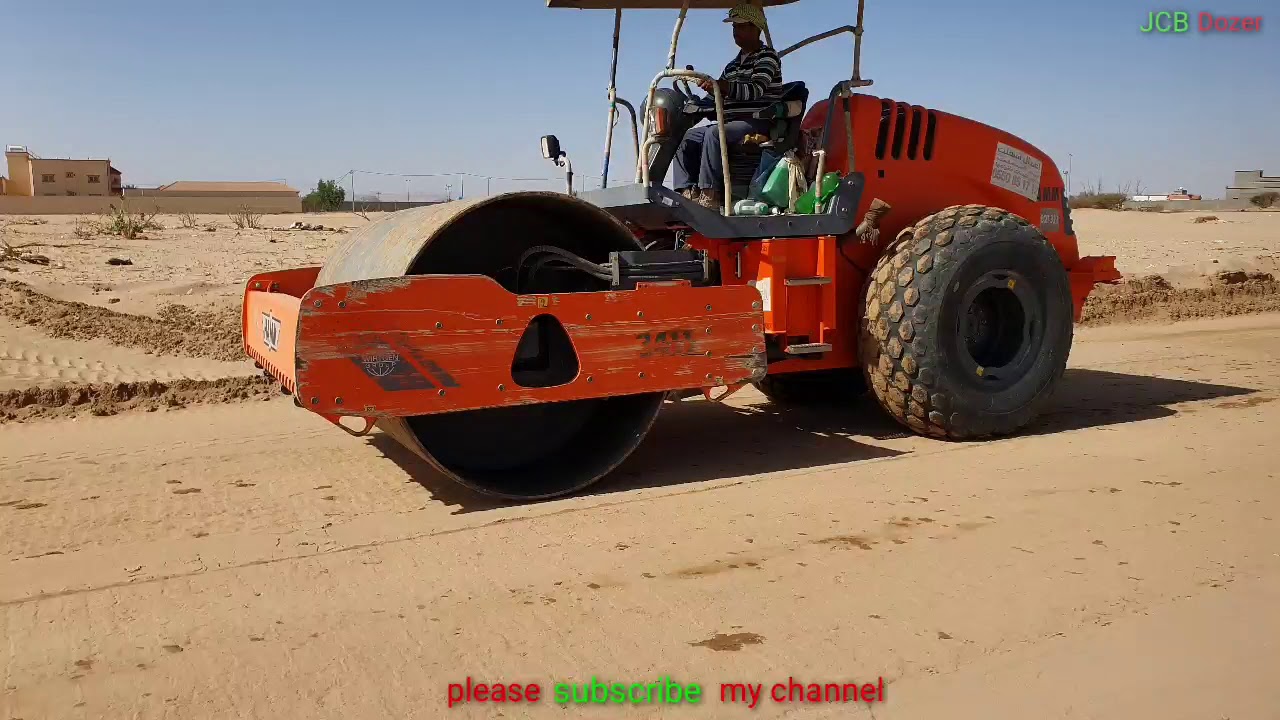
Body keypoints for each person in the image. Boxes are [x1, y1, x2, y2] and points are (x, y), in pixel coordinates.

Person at [672, 3, 783, 210]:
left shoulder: (767, 57)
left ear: (755, 28)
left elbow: (755, 90)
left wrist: (721, 86)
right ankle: (686, 191)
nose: (735, 32)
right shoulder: (732, 65)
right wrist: (708, 90)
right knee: (687, 137)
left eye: (740, 27)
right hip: (733, 122)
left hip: (757, 121)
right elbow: (722, 93)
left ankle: (710, 194)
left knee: (715, 134)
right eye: (734, 27)